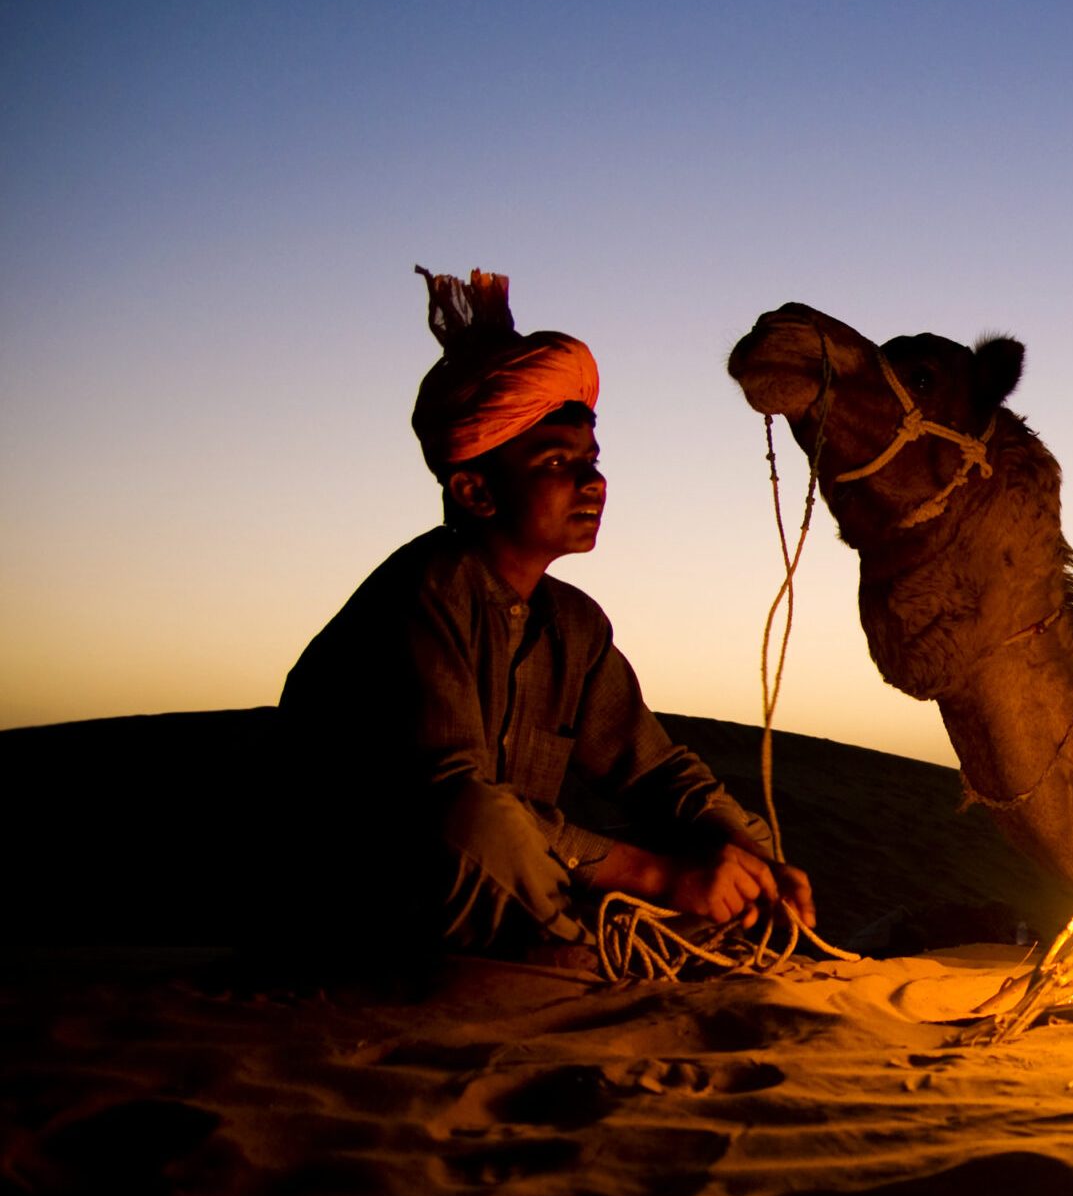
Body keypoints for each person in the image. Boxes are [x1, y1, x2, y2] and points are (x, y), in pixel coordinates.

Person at [280, 267, 816, 958]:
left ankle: (597, 954)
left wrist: (747, 854)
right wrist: (659, 874)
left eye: (592, 460)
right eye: (558, 462)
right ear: (475, 491)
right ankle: (579, 963)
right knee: (477, 820)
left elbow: (654, 772)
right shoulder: (423, 596)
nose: (592, 482)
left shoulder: (573, 625)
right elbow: (455, 805)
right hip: (377, 905)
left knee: (728, 856)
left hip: (519, 893)